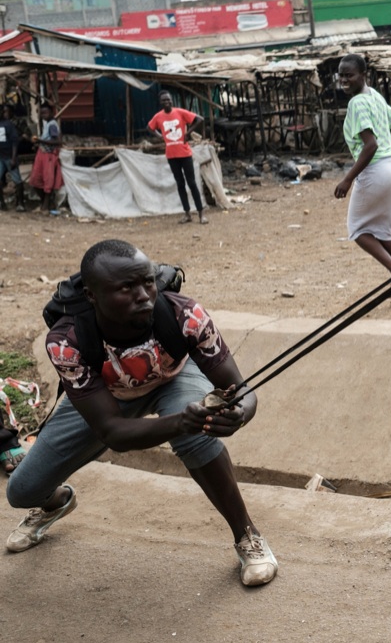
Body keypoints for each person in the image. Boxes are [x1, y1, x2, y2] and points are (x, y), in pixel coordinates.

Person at [5, 239, 278, 587]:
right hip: (106, 396)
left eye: (148, 282)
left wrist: (241, 412)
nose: (144, 295)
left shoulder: (186, 315)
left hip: (175, 378)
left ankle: (247, 535)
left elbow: (241, 388)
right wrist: (181, 421)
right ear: (92, 296)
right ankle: (56, 502)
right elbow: (113, 433)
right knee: (21, 491)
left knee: (195, 434)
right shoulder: (66, 341)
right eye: (126, 288)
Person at [334, 54, 391, 307]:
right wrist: (385, 144)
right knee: (384, 234)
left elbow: (369, 146)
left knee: (358, 230)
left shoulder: (357, 102)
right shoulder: (375, 96)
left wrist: (348, 179)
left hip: (376, 170)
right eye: (341, 75)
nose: (344, 80)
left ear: (363, 75)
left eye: (349, 75)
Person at [147, 92, 207, 225]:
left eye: (168, 99)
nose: (166, 102)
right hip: (172, 156)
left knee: (192, 183)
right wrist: (160, 136)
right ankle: (187, 214)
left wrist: (188, 133)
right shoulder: (158, 116)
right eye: (164, 100)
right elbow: (149, 127)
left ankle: (201, 213)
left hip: (185, 154)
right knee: (180, 184)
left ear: (172, 100)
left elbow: (200, 119)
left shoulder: (180, 112)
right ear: (161, 103)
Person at [28, 103, 62, 214]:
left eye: (46, 113)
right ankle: (45, 203)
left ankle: (45, 206)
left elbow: (57, 141)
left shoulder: (52, 125)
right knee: (36, 180)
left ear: (51, 112)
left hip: (48, 156)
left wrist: (40, 141)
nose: (44, 115)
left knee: (47, 180)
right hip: (42, 154)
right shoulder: (48, 124)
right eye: (42, 113)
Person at [0, 104, 26, 212]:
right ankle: (2, 203)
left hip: (9, 156)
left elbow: (15, 142)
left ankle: (20, 203)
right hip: (0, 157)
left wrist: (14, 158)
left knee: (17, 180)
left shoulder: (9, 125)